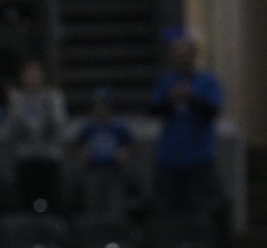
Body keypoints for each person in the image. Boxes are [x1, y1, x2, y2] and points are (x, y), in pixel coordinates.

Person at [149, 31, 224, 216]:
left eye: (184, 53)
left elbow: (212, 111)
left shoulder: (207, 81)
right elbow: (153, 110)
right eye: (176, 54)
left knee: (202, 209)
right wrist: (171, 99)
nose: (180, 58)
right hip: (170, 157)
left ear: (193, 55)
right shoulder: (167, 81)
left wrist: (191, 97)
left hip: (199, 157)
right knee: (167, 210)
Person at [0, 59, 68, 213]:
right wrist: (15, 106)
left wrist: (49, 108)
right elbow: (11, 132)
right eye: (29, 74)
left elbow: (59, 128)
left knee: (52, 204)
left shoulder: (54, 97)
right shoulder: (17, 99)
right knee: (26, 204)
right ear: (23, 76)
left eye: (36, 74)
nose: (32, 78)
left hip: (49, 158)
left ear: (42, 76)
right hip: (25, 159)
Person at [74, 87, 134, 215]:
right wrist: (82, 153)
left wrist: (124, 153)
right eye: (99, 105)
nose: (102, 108)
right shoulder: (88, 128)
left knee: (114, 206)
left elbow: (131, 146)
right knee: (93, 205)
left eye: (105, 105)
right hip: (93, 171)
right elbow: (77, 146)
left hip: (114, 171)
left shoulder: (119, 127)